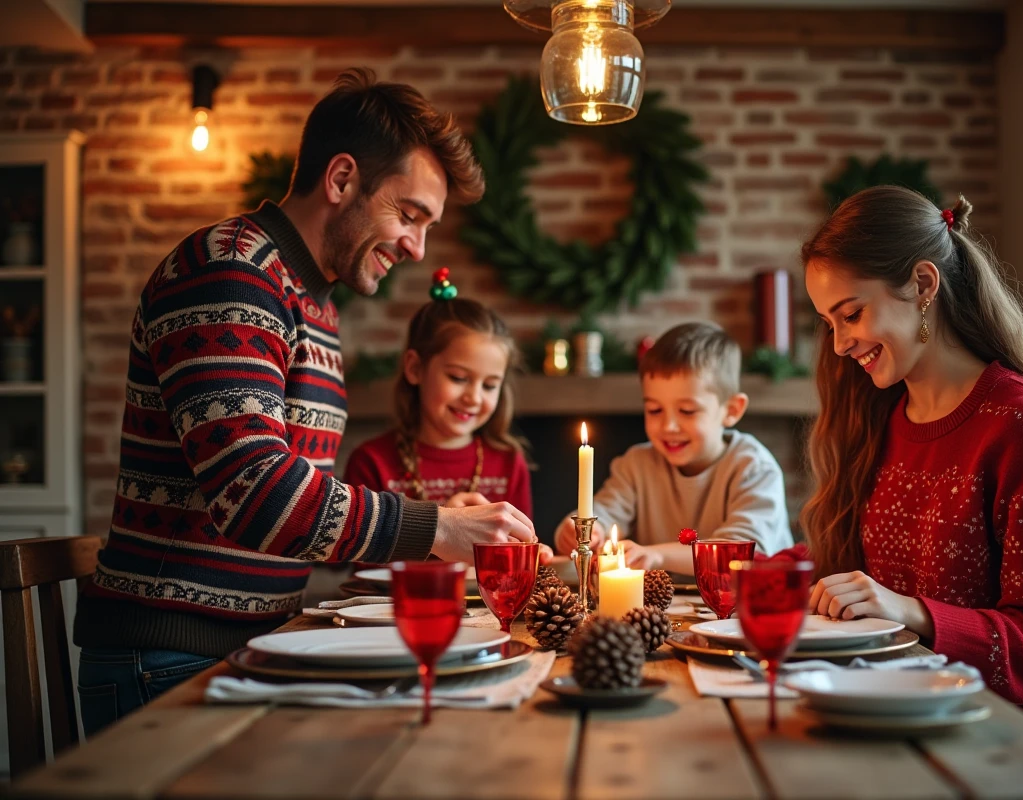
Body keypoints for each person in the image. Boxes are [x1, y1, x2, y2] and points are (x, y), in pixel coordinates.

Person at [73, 68, 538, 734]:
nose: (417, 247)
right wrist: (437, 527)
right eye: (409, 215)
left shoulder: (310, 300)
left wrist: (440, 526)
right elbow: (256, 494)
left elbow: (302, 511)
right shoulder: (231, 271)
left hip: (255, 643)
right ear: (341, 179)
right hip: (173, 657)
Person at [801, 186, 1023, 750]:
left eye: (852, 314)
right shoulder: (880, 419)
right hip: (905, 719)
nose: (839, 345)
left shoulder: (1021, 422)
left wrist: (908, 611)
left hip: (1016, 742)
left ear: (922, 285)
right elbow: (859, 591)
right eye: (828, 323)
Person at [553, 322, 793, 573]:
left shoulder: (754, 468)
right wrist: (582, 532)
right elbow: (605, 511)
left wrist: (657, 555)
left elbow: (741, 553)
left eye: (687, 411)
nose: (668, 426)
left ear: (731, 410)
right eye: (654, 410)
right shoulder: (635, 465)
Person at [343, 271, 534, 521]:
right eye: (458, 378)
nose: (474, 398)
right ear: (415, 368)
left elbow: (522, 542)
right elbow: (363, 547)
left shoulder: (509, 463)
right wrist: (446, 526)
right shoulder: (371, 463)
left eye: (489, 385)